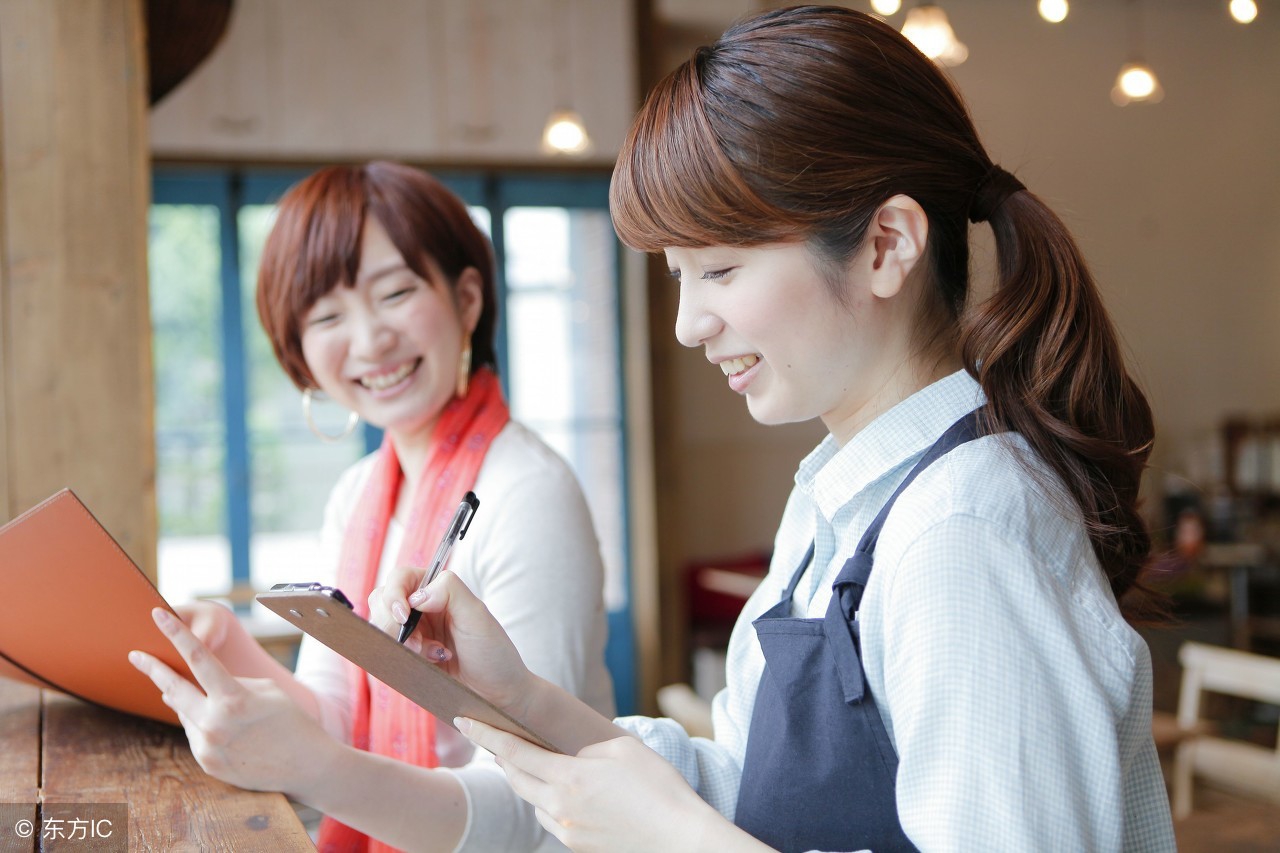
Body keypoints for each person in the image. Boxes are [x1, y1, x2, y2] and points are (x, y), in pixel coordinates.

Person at [367, 7, 1178, 852]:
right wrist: (517, 694)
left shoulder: (963, 530)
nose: (688, 324)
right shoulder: (841, 500)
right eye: (680, 275)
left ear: (886, 245)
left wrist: (676, 838)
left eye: (719, 268)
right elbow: (753, 790)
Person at [130, 161, 614, 853]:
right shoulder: (358, 493)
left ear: (467, 299)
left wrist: (317, 768)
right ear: (299, 351)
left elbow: (531, 802)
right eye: (327, 314)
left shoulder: (526, 491)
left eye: (395, 292)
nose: (369, 340)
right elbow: (333, 718)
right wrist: (225, 648)